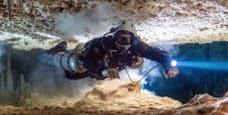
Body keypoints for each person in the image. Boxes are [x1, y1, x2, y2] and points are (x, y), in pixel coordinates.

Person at [46, 26, 179, 80]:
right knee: (73, 74)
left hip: (117, 66)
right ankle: (56, 52)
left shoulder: (137, 46)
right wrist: (102, 72)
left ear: (132, 39)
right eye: (120, 39)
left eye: (127, 39)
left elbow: (159, 55)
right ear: (114, 37)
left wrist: (169, 66)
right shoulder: (100, 44)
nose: (123, 44)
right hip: (97, 66)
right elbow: (88, 63)